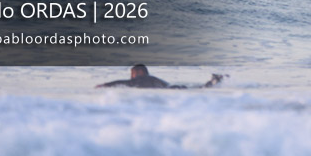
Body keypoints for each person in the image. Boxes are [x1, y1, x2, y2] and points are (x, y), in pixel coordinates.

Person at [96, 64, 226, 89]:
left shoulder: (143, 79)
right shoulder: (152, 79)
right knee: (200, 88)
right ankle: (215, 81)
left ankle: (215, 81)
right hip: (173, 87)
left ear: (140, 72)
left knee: (200, 88)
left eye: (133, 74)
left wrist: (106, 85)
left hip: (172, 89)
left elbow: (125, 82)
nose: (131, 77)